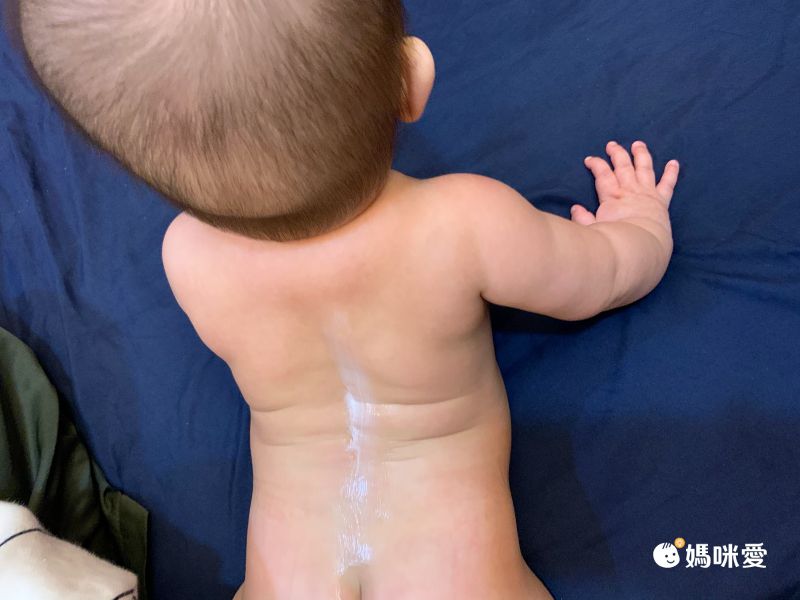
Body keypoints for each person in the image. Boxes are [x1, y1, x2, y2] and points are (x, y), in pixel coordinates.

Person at [20, 1, 679, 597]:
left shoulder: (187, 257)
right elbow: (605, 277)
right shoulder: (465, 223)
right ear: (412, 80)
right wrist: (641, 224)